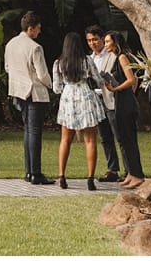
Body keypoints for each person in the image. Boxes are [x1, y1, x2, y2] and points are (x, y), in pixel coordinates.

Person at [6, 11, 54, 185]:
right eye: (38, 29)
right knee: (35, 132)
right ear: (31, 28)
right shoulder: (35, 47)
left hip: (18, 91)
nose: (39, 32)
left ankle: (28, 171)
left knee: (28, 131)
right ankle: (35, 172)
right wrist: (53, 85)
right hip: (34, 92)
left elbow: (7, 67)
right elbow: (42, 74)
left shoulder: (10, 44)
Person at [53, 32, 105, 190]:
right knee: (90, 141)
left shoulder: (59, 63)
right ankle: (90, 179)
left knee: (65, 140)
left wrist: (65, 88)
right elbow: (98, 80)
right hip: (85, 95)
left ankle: (62, 176)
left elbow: (56, 88)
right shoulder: (87, 60)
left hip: (68, 97)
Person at [103, 31, 146, 188]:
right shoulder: (117, 58)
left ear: (116, 42)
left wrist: (116, 89)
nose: (105, 44)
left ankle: (137, 175)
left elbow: (131, 80)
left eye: (107, 41)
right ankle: (131, 173)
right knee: (125, 139)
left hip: (125, 102)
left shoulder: (122, 57)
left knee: (129, 139)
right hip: (122, 100)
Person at [85, 25, 122, 182]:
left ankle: (130, 170)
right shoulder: (89, 59)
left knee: (119, 135)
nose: (92, 43)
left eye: (95, 39)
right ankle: (112, 169)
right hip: (97, 101)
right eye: (89, 40)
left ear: (101, 39)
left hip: (111, 99)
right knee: (105, 136)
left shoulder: (112, 55)